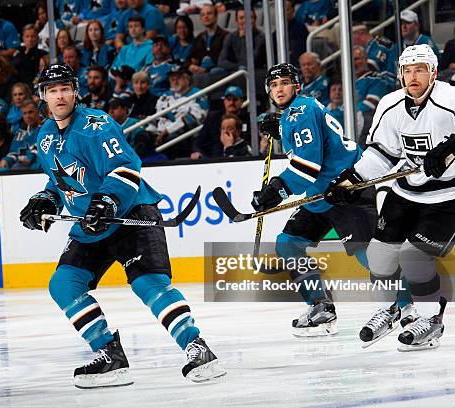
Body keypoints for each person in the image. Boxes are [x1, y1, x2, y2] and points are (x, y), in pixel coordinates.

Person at [20, 63, 225, 388]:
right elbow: (61, 181)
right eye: (52, 91)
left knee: (149, 284)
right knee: (63, 284)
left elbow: (127, 167)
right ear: (43, 96)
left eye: (65, 89)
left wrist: (107, 200)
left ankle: (197, 347)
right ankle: (109, 355)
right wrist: (45, 199)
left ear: (75, 91)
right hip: (91, 226)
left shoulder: (95, 125)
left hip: (131, 213)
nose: (59, 96)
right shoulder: (45, 136)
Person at [326, 45, 454, 351]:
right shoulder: (390, 104)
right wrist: (352, 179)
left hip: (448, 196)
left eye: (420, 69)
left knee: (413, 255)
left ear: (433, 72)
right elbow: (382, 153)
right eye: (408, 70)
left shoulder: (450, 99)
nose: (413, 76)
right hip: (407, 192)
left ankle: (429, 320)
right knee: (379, 256)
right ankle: (394, 308)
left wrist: (450, 149)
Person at [252, 63, 377, 336]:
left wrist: (277, 189)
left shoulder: (300, 111)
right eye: (274, 85)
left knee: (368, 255)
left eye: (285, 83)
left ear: (297, 86)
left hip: (346, 188)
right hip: (321, 193)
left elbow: (309, 165)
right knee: (288, 244)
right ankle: (321, 306)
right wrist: (283, 127)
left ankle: (407, 307)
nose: (279, 89)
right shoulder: (295, 113)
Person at [190, 85, 250, 160]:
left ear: (241, 101)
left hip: (238, 157)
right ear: (224, 101)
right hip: (212, 158)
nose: (231, 102)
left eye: (235, 99)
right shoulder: (213, 117)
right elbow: (198, 140)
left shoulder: (249, 118)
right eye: (228, 99)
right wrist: (197, 152)